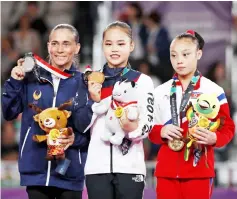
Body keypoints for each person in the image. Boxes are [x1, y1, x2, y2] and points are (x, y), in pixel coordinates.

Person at [2, 24, 92, 199]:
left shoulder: (85, 83)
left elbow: (91, 130)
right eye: (55, 43)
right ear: (48, 46)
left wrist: (75, 139)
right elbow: (9, 112)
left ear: (77, 47)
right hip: (36, 172)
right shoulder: (31, 79)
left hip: (70, 172)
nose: (59, 49)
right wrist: (14, 82)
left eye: (66, 44)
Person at [148, 30, 235, 199]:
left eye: (186, 54)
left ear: (198, 54)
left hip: (199, 171)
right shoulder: (159, 91)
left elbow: (228, 128)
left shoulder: (213, 90)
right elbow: (149, 129)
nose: (179, 60)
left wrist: (215, 138)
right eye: (174, 55)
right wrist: (161, 132)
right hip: (166, 172)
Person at [84, 21, 154, 199]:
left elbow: (148, 122)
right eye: (108, 44)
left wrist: (133, 130)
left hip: (130, 166)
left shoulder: (142, 81)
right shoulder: (91, 80)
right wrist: (94, 101)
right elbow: (80, 123)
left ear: (131, 46)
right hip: (96, 166)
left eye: (121, 44)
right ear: (102, 46)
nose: (114, 49)